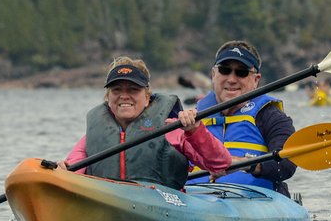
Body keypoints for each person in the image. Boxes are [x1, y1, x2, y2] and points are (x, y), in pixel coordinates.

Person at [57, 57, 232, 191]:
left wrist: (195, 131)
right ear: (108, 98)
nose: (124, 96)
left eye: (133, 89)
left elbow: (221, 164)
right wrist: (62, 172)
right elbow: (72, 175)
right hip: (111, 204)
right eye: (116, 90)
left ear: (147, 97)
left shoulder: (172, 129)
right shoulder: (93, 137)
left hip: (165, 208)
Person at [189, 41, 296, 197]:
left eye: (241, 72)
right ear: (213, 75)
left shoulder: (271, 117)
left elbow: (286, 165)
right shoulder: (192, 119)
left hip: (255, 202)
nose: (232, 79)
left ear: (256, 80)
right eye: (225, 70)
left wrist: (246, 165)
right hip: (194, 200)